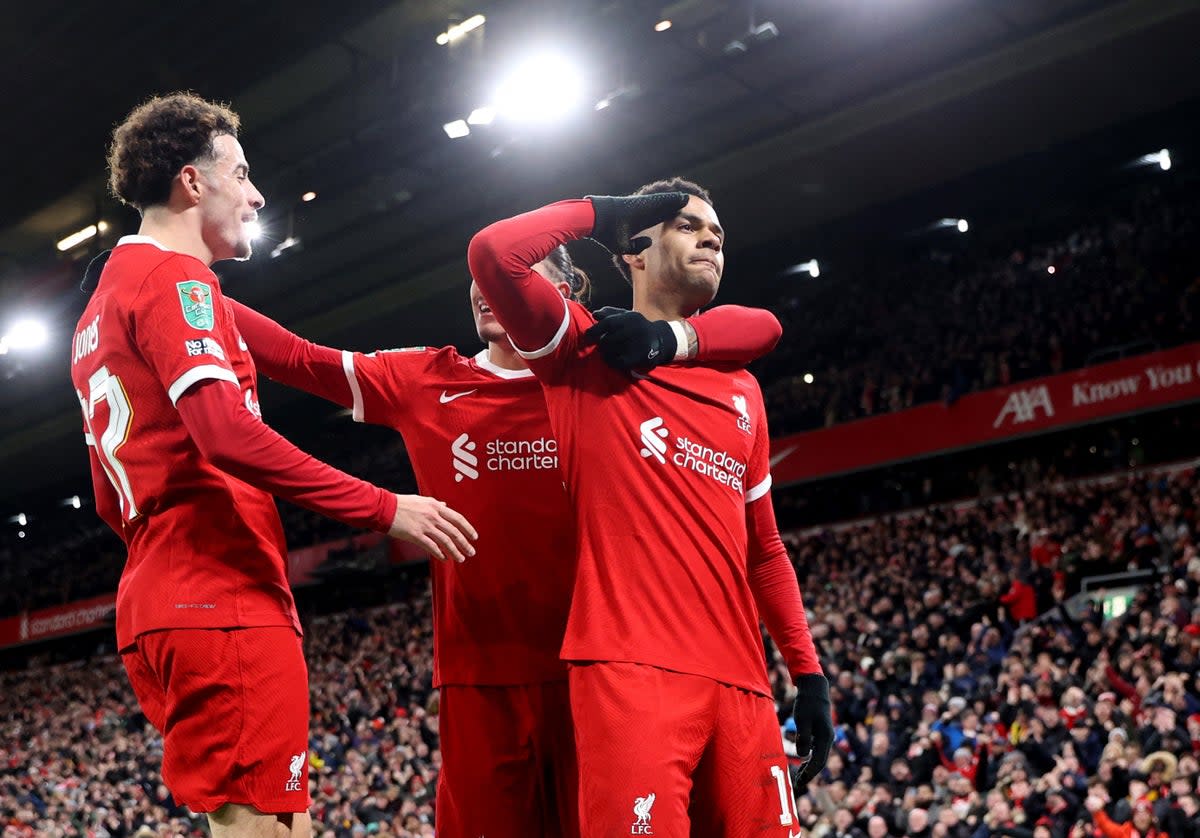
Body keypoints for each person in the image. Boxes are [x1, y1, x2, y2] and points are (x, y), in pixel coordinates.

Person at [228, 244, 784, 837]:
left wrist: (668, 340)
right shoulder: (425, 378)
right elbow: (292, 356)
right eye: (474, 279)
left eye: (509, 278)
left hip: (600, 674)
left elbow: (756, 328)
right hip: (480, 676)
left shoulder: (599, 371)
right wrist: (182, 279)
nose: (481, 288)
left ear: (562, 293)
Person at [69, 92, 477, 838]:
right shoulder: (174, 282)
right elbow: (224, 433)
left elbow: (298, 359)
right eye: (243, 174)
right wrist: (387, 507)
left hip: (162, 590)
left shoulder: (109, 301)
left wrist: (456, 378)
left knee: (275, 826)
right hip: (218, 591)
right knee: (259, 829)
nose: (256, 195)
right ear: (193, 184)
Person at [467, 179, 834, 836]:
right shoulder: (584, 348)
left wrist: (807, 674)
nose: (712, 240)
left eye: (718, 235)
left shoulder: (742, 384)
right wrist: (604, 212)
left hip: (744, 681)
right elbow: (493, 254)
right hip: (631, 670)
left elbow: (766, 549)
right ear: (634, 252)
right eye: (689, 227)